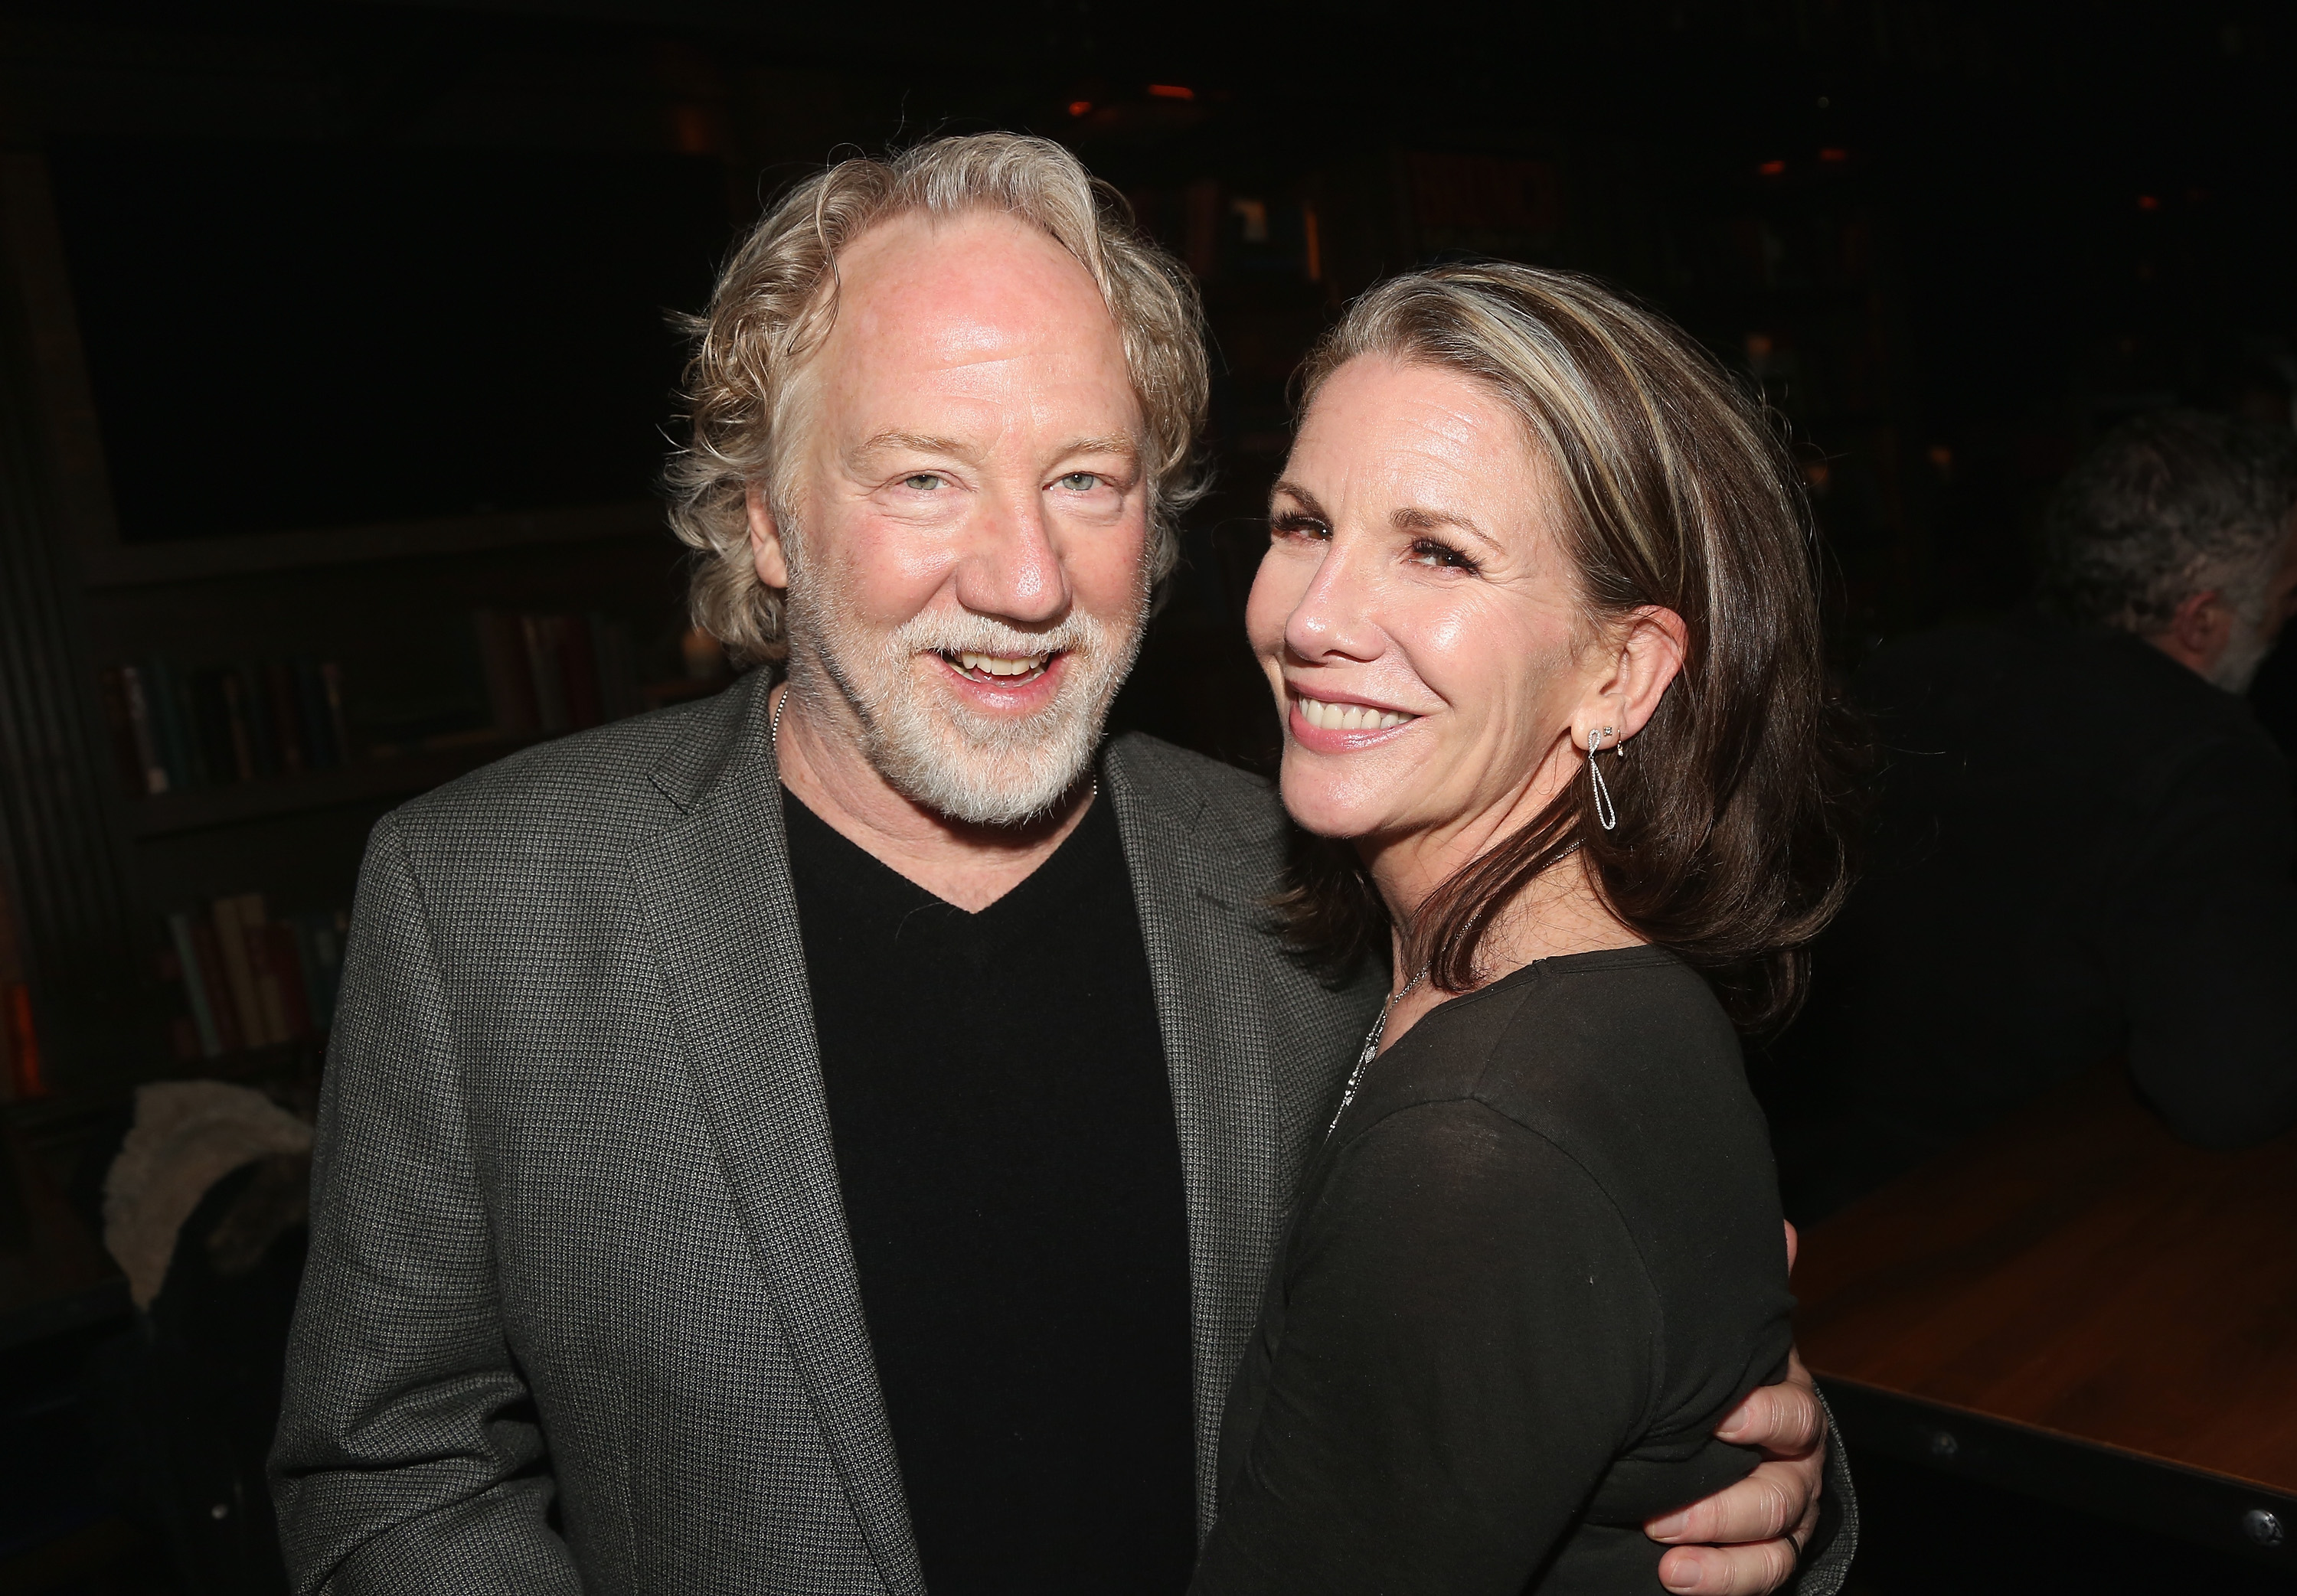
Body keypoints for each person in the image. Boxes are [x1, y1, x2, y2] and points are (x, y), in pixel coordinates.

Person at [269, 134, 1848, 1594]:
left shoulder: (1316, 882)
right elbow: (388, 1466)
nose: (1026, 578)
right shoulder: (487, 905)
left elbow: (1496, 1350)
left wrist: (1755, 1471)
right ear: (763, 519)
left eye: (1085, 478)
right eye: (925, 475)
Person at [1181, 265, 1857, 1594]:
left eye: (1438, 552)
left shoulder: (1489, 1136)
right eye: (1304, 525)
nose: (1313, 619)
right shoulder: (1583, 999)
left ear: (1620, 672)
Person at [1764, 410, 2297, 1222]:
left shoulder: (1901, 675)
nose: (2288, 621)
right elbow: (2230, 1093)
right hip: (2017, 1239)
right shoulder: (2204, 759)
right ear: (2202, 619)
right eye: (2286, 598)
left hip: (1794, 1205)